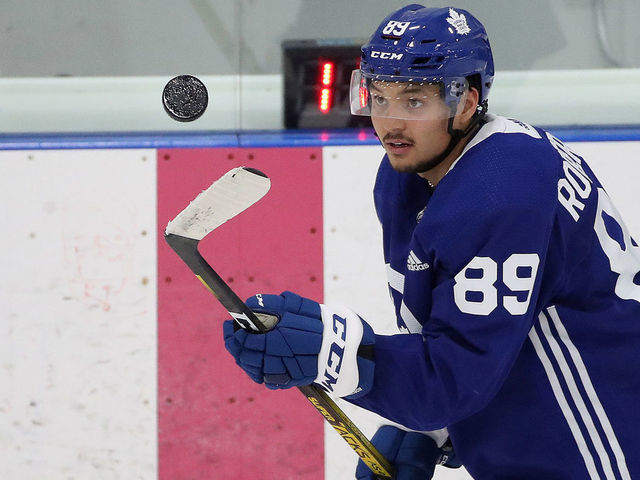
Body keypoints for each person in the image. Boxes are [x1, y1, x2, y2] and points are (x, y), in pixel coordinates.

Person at [223, 4, 640, 479]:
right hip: (539, 434)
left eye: (414, 101)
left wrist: (330, 351)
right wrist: (431, 429)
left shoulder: (502, 190)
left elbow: (456, 376)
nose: (390, 123)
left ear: (466, 101)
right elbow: (450, 332)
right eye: (378, 98)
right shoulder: (409, 176)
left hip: (603, 438)